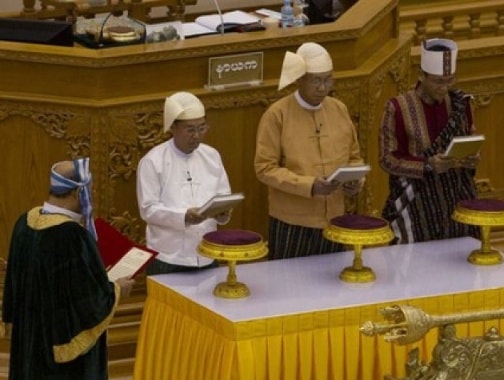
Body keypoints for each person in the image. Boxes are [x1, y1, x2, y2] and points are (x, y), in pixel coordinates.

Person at [2, 158, 134, 380]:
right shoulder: (72, 237)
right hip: (62, 363)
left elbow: (13, 288)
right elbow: (86, 305)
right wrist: (117, 290)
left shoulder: (23, 223)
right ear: (77, 192)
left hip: (30, 346)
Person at [254, 42, 364, 260]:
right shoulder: (277, 115)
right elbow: (264, 168)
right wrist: (310, 186)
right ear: (298, 80)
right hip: (292, 222)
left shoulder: (338, 109)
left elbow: (354, 157)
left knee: (333, 287)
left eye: (328, 79)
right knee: (291, 287)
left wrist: (355, 181)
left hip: (334, 218)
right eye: (316, 80)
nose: (323, 87)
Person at [379, 38, 481, 244]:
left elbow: (470, 139)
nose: (444, 88)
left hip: (457, 196)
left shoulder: (461, 103)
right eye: (438, 81)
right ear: (421, 76)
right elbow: (387, 159)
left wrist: (472, 159)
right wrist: (427, 165)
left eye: (450, 80)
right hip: (416, 203)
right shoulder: (397, 108)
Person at [137, 91, 233, 275]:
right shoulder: (153, 161)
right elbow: (148, 209)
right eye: (190, 129)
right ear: (173, 127)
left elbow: (223, 197)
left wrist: (222, 213)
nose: (197, 135)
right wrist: (184, 216)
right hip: (168, 257)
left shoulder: (211, 155)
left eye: (202, 128)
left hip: (207, 252)